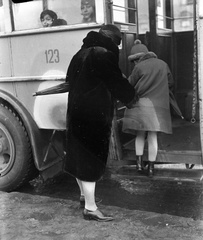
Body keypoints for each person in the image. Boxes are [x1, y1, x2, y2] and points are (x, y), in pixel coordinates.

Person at [64, 24, 138, 221]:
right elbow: (116, 82)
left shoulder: (80, 54)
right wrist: (131, 97)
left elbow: (69, 79)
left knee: (79, 156)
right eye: (118, 43)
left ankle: (83, 196)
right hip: (94, 115)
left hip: (76, 112)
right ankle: (90, 208)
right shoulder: (103, 54)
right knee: (91, 160)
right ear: (113, 40)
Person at [122, 40, 173, 177]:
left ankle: (139, 165)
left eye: (134, 61)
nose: (134, 64)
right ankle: (151, 168)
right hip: (157, 108)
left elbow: (129, 85)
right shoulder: (163, 64)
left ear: (138, 58)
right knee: (152, 136)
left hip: (140, 106)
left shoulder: (138, 68)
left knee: (139, 134)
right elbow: (170, 83)